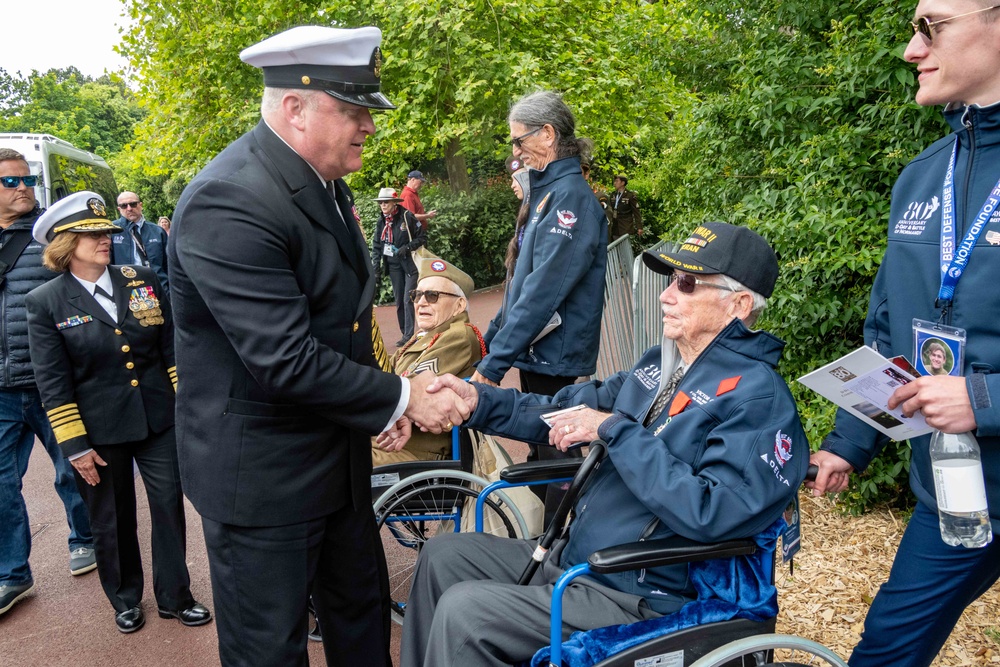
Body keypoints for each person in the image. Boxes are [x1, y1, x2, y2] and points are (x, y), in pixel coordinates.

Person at [167, 25, 468, 667]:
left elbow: (345, 322)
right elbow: (285, 359)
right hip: (264, 479)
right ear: (294, 107)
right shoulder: (230, 199)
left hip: (332, 458)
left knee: (359, 621)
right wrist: (401, 396)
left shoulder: (321, 180)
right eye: (352, 110)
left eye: (367, 111)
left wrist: (385, 408)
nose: (368, 126)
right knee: (269, 649)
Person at [400, 221, 809, 666]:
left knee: (467, 614)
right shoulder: (660, 365)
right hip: (577, 558)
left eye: (687, 284)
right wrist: (479, 400)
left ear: (740, 303)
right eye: (671, 280)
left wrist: (615, 430)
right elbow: (566, 406)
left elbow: (712, 512)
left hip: (639, 591)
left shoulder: (758, 398)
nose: (666, 295)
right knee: (442, 554)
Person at [808, 2, 1000, 665]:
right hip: (957, 492)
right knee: (885, 651)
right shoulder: (922, 175)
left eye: (932, 26)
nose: (911, 49)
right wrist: (849, 441)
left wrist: (984, 399)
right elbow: (889, 327)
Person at [24, 191, 210, 633]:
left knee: (169, 507)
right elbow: (53, 381)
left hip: (158, 418)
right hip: (99, 429)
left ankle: (175, 596)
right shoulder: (47, 301)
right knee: (112, 515)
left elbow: (169, 349)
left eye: (106, 232)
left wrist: (185, 407)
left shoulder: (140, 278)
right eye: (92, 235)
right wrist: (74, 446)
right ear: (65, 244)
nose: (105, 239)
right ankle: (125, 598)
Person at [471, 90, 608, 522]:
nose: (514, 151)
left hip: (556, 356)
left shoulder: (571, 198)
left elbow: (543, 292)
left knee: (557, 456)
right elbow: (520, 288)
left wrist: (491, 367)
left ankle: (555, 551)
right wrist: (488, 344)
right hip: (541, 352)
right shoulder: (549, 194)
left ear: (547, 135)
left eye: (518, 141)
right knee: (542, 450)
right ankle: (547, 544)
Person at [0, 148, 96, 619]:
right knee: (0, 483)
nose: (22, 188)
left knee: (71, 469)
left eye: (26, 180)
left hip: (49, 382)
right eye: (10, 182)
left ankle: (86, 539)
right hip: (0, 387)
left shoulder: (50, 242)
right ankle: (12, 573)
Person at [373, 257, 484, 465]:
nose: (421, 302)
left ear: (459, 305)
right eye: (417, 295)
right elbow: (389, 367)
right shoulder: (424, 335)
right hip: (391, 438)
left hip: (415, 451)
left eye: (432, 296)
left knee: (333, 460)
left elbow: (419, 387)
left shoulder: (459, 337)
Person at [371, 187, 427, 346]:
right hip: (393, 265)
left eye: (386, 202)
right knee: (399, 301)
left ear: (395, 203)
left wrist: (406, 248)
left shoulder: (407, 216)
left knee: (408, 299)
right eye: (380, 202)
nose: (382, 205)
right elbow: (376, 246)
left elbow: (422, 237)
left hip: (409, 264)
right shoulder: (381, 221)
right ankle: (405, 333)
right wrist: (376, 269)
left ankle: (409, 336)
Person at [110, 192, 169, 294]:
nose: (129, 208)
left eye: (133, 204)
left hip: (159, 288)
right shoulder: (112, 231)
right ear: (119, 209)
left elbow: (168, 264)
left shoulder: (157, 231)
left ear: (140, 205)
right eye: (124, 206)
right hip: (128, 290)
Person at [610, 174, 642, 239]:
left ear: (622, 183)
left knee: (624, 245)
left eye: (617, 181)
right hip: (615, 226)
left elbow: (636, 212)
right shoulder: (613, 195)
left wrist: (639, 227)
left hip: (625, 226)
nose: (614, 183)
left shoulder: (630, 196)